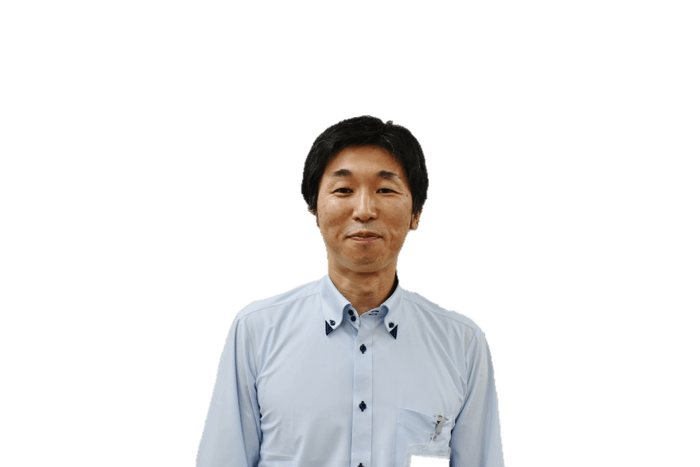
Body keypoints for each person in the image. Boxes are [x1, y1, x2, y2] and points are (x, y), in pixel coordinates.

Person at [195, 115, 506, 467]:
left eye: (385, 190)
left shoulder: (462, 344)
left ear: (416, 213)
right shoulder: (256, 330)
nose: (364, 210)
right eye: (343, 190)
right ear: (314, 208)